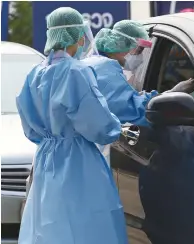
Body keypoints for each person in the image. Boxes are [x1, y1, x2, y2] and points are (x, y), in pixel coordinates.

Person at [17, 7, 128, 244]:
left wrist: (50, 140)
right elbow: (99, 122)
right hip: (79, 160)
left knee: (49, 224)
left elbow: (28, 124)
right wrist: (116, 127)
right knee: (86, 224)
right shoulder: (77, 72)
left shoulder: (34, 74)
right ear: (76, 35)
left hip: (46, 159)